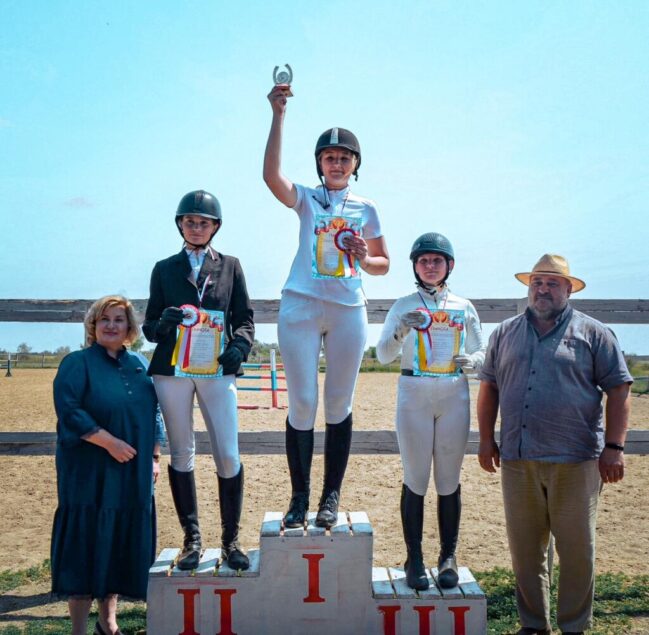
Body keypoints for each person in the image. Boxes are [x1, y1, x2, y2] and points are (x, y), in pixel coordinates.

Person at [477, 254, 632, 635]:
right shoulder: (504, 332)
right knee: (526, 552)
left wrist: (614, 447)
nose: (542, 289)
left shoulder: (594, 333)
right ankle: (534, 625)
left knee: (577, 551)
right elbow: (489, 387)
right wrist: (485, 440)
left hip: (576, 458)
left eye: (551, 283)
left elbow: (619, 389)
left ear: (568, 289)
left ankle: (574, 627)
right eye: (536, 282)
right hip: (518, 457)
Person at [263, 84, 390, 528]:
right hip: (300, 304)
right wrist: (278, 115)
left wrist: (362, 256)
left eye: (344, 157)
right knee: (301, 402)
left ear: (356, 164)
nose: (336, 163)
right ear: (319, 163)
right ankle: (299, 498)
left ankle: (329, 497)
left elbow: (382, 265)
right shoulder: (305, 197)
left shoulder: (367, 206)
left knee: (338, 403)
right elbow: (271, 177)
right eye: (329, 157)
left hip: (347, 309)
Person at [143, 190, 254, 571]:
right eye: (189, 221)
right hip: (172, 370)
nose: (196, 227)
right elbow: (149, 326)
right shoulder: (163, 268)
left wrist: (240, 346)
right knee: (181, 451)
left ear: (215, 227)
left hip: (216, 368)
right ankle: (192, 539)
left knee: (227, 452)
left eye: (203, 222)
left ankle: (231, 539)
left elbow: (245, 317)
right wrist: (163, 323)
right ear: (180, 225)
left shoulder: (231, 266)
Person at [376, 233, 485, 590]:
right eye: (424, 261)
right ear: (415, 266)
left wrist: (474, 362)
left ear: (449, 265)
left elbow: (480, 351)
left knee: (449, 478)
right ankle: (415, 557)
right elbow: (383, 356)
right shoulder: (403, 304)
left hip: (453, 392)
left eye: (437, 260)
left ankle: (448, 555)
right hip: (414, 391)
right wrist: (401, 330)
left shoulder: (463, 306)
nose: (430, 266)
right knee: (416, 476)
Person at [51, 295, 164, 635]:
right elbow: (69, 410)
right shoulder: (77, 362)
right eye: (105, 320)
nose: (111, 326)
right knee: (87, 544)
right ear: (93, 326)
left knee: (115, 541)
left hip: (131, 473)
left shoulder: (140, 364)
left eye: (119, 320)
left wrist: (155, 457)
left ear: (130, 328)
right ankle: (79, 630)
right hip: (87, 471)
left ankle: (108, 623)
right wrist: (109, 442)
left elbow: (155, 412)